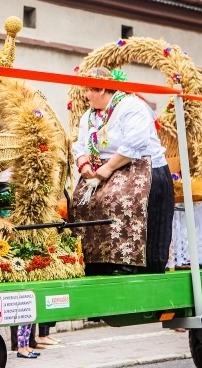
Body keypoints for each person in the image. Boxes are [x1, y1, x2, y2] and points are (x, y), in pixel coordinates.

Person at [70, 67, 174, 275]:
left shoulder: (131, 106)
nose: (84, 94)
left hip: (138, 167)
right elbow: (79, 145)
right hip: (105, 171)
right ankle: (94, 262)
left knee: (116, 200)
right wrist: (85, 165)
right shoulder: (89, 117)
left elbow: (134, 143)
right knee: (79, 201)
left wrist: (107, 169)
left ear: (101, 89)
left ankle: (126, 263)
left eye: (87, 90)